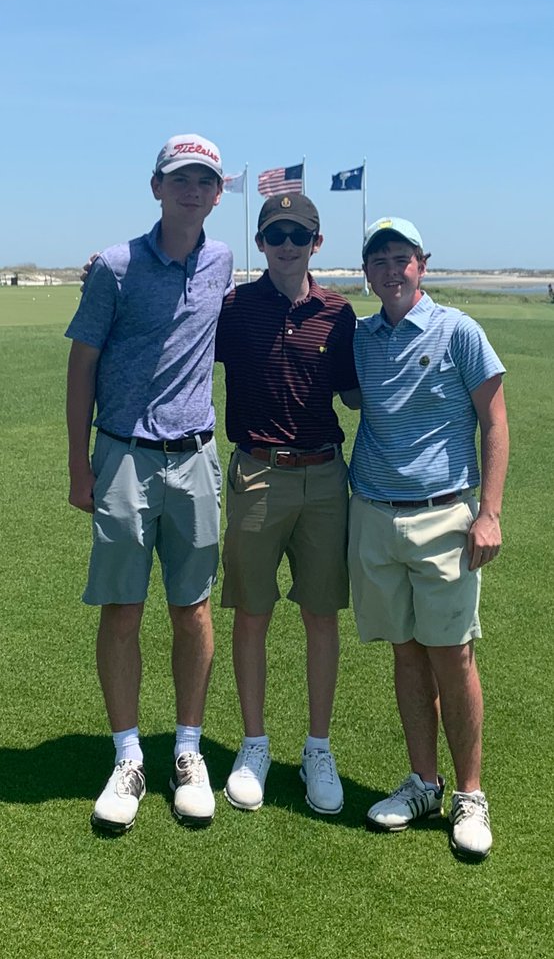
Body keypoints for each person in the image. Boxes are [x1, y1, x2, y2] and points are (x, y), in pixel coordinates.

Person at [66, 134, 234, 833]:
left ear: (218, 194)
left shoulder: (223, 261)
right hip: (124, 457)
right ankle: (129, 754)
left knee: (192, 608)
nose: (191, 191)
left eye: (204, 181)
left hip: (195, 457)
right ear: (157, 187)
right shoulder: (115, 266)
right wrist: (78, 464)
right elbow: (82, 367)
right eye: (179, 180)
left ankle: (188, 750)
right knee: (123, 609)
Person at [347, 217, 509, 859]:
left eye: (402, 258)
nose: (392, 269)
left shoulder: (459, 331)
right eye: (380, 259)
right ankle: (423, 783)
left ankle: (470, 794)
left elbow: (493, 422)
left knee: (453, 654)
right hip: (375, 515)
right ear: (367, 272)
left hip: (445, 516)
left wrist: (489, 512)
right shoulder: (359, 337)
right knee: (406, 651)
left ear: (423, 263)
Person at [215, 193, 359, 814]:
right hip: (256, 476)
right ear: (260, 242)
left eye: (298, 234)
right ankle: (254, 743)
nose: (287, 244)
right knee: (252, 613)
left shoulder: (339, 313)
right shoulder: (235, 308)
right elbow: (173, 332)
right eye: (275, 233)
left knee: (321, 615)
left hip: (326, 480)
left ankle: (318, 749)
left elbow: (358, 396)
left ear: (317, 243)